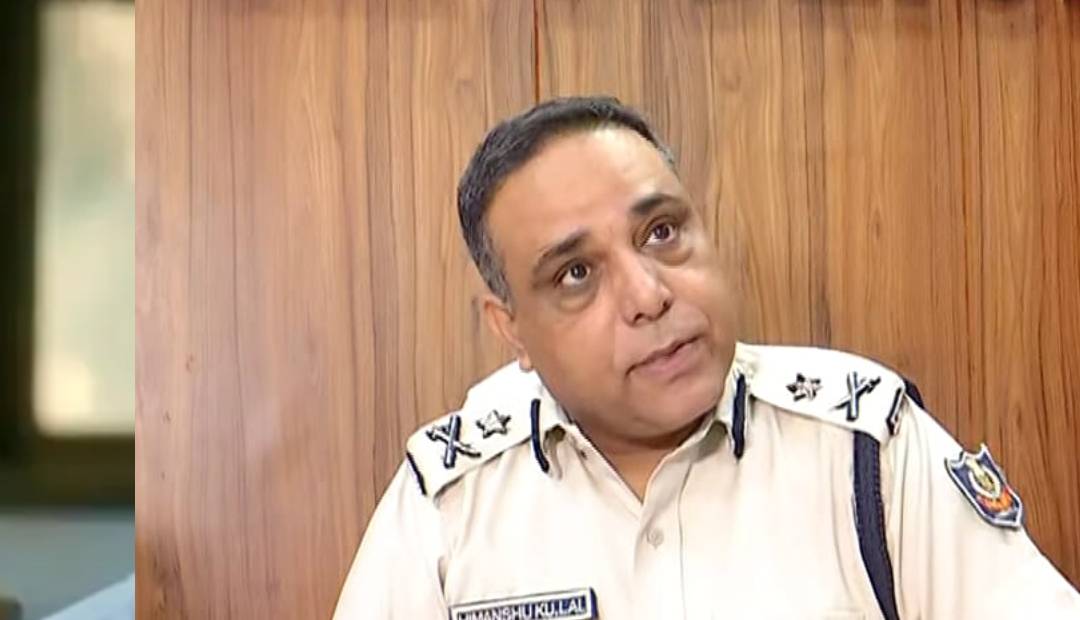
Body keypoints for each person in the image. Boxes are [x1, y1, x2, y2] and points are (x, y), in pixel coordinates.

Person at [334, 96, 1080, 619]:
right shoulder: (447, 498)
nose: (649, 295)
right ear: (512, 330)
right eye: (576, 273)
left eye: (661, 232)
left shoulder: (864, 445)